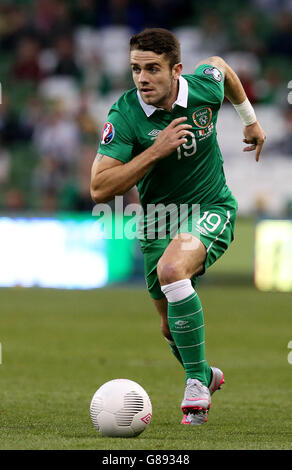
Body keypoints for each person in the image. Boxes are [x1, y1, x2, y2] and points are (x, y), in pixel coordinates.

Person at [90, 28, 266, 425]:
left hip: (211, 207)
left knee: (173, 272)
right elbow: (100, 188)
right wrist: (156, 150)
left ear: (177, 71)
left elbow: (222, 68)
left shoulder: (203, 87)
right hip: (157, 222)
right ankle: (205, 373)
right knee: (171, 328)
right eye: (136, 69)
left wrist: (250, 121)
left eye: (153, 69)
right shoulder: (125, 115)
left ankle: (195, 386)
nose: (142, 79)